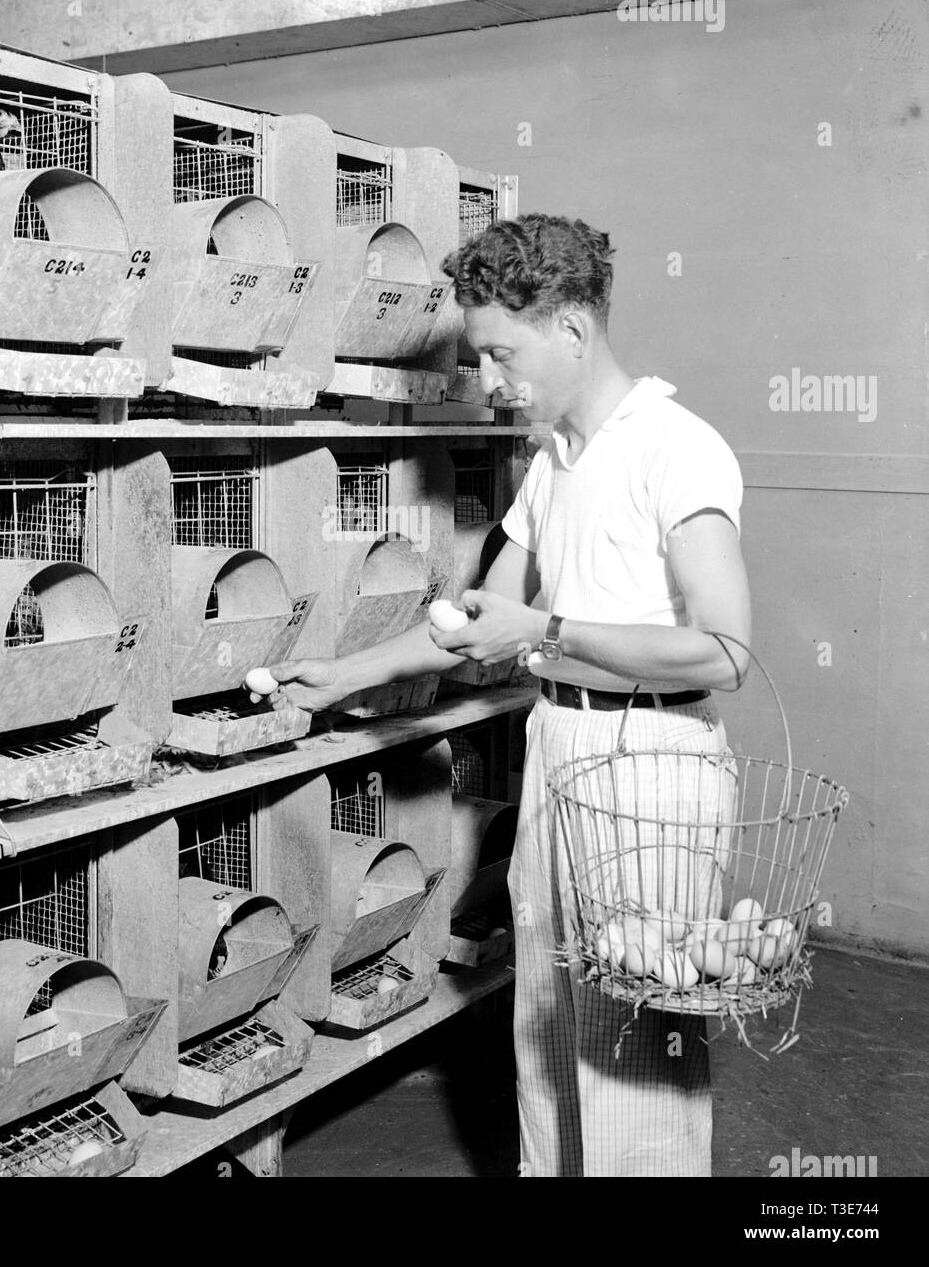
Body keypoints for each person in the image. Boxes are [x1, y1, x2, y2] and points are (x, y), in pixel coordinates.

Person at [253, 213, 751, 1177]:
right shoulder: (555, 462)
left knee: (636, 1056)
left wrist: (549, 636)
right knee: (548, 1037)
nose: (490, 380)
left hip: (655, 768)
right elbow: (476, 616)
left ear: (570, 327)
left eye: (500, 353)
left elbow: (725, 652)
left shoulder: (677, 449)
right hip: (564, 749)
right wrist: (348, 675)